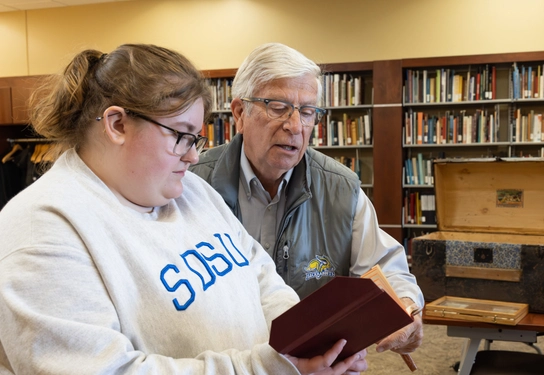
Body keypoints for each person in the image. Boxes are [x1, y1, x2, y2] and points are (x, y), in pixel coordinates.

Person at [0, 44, 367, 375]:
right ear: (117, 124)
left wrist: (309, 341)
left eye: (196, 139)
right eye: (180, 135)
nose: (193, 156)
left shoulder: (189, 189)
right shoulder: (41, 231)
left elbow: (260, 274)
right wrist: (273, 368)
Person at [189, 42, 424, 356]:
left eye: (308, 111)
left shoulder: (341, 188)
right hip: (224, 358)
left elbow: (385, 267)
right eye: (277, 107)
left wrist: (405, 306)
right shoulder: (191, 183)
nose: (295, 126)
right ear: (239, 114)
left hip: (315, 360)